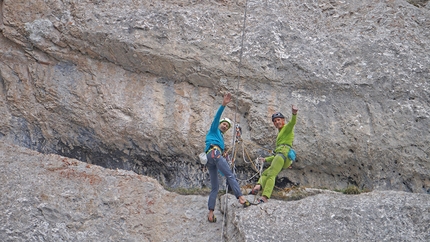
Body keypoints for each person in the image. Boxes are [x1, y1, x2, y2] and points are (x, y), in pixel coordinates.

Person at [205, 92, 250, 223]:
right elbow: (216, 117)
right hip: (214, 154)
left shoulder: (221, 139)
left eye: (227, 126)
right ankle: (241, 197)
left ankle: (211, 213)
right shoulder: (214, 130)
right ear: (220, 124)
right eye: (223, 124)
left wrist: (223, 157)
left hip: (211, 158)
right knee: (230, 175)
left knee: (215, 187)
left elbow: (220, 164)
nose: (225, 126)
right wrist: (223, 104)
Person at [250, 105, 298, 203]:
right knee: (266, 173)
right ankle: (257, 187)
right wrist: (266, 160)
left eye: (278, 120)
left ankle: (265, 197)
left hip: (282, 155)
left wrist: (294, 113)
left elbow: (292, 123)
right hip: (282, 157)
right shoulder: (280, 133)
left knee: (271, 174)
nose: (277, 122)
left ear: (283, 120)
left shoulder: (286, 129)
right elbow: (277, 155)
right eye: (275, 121)